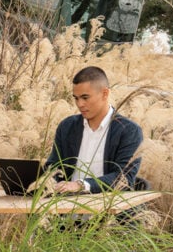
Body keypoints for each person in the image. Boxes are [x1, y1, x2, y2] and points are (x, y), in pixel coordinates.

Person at [45, 65, 143, 194]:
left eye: (85, 97)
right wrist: (49, 183)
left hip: (108, 209)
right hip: (64, 207)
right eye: (76, 98)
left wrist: (81, 185)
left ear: (105, 93)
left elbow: (124, 178)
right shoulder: (67, 126)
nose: (80, 104)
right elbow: (53, 167)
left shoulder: (129, 131)